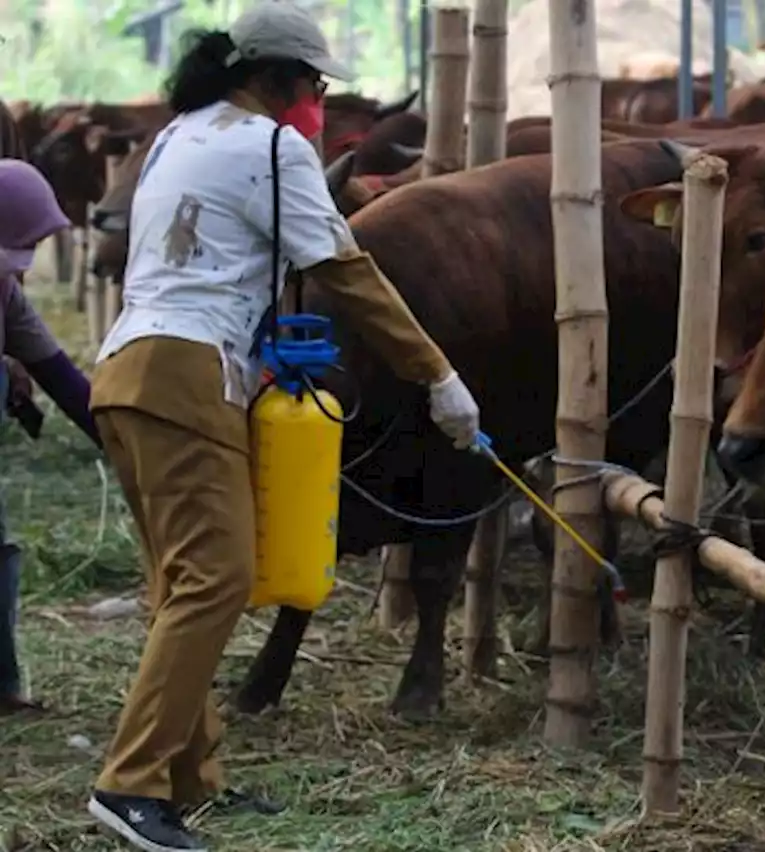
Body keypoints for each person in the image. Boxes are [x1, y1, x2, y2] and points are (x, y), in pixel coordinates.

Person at [85, 4, 481, 851]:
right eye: (315, 85)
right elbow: (345, 269)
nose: (319, 102)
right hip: (186, 377)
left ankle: (193, 776)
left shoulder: (180, 133)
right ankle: (128, 786)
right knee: (216, 582)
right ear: (280, 79)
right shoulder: (272, 147)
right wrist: (437, 374)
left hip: (125, 370)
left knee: (181, 582)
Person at [0, 161, 102, 716]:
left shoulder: (7, 297)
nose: (24, 261)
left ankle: (2, 687)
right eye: (21, 243)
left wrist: (125, 445)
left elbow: (63, 379)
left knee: (1, 551)